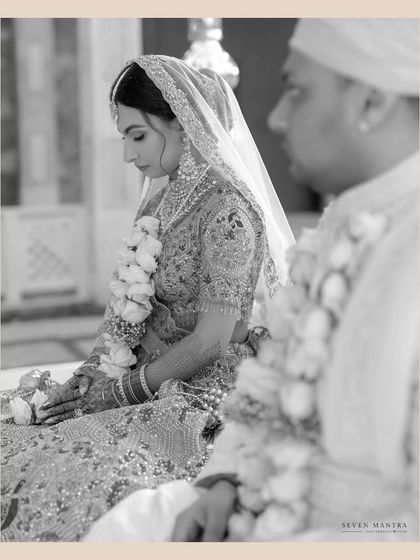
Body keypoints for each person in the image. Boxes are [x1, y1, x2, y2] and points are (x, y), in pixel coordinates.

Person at [84, 19, 419, 542]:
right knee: (116, 532)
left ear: (372, 104)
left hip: (348, 530)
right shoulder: (340, 231)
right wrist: (225, 480)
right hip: (259, 491)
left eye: (296, 91)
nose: (277, 118)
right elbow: (273, 391)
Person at [0, 56, 294, 541]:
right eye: (123, 137)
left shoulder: (228, 211)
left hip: (197, 388)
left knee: (69, 472)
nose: (127, 154)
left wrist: (117, 393)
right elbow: (124, 317)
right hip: (138, 371)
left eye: (137, 135)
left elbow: (212, 343)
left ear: (183, 124)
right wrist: (87, 378)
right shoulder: (161, 198)